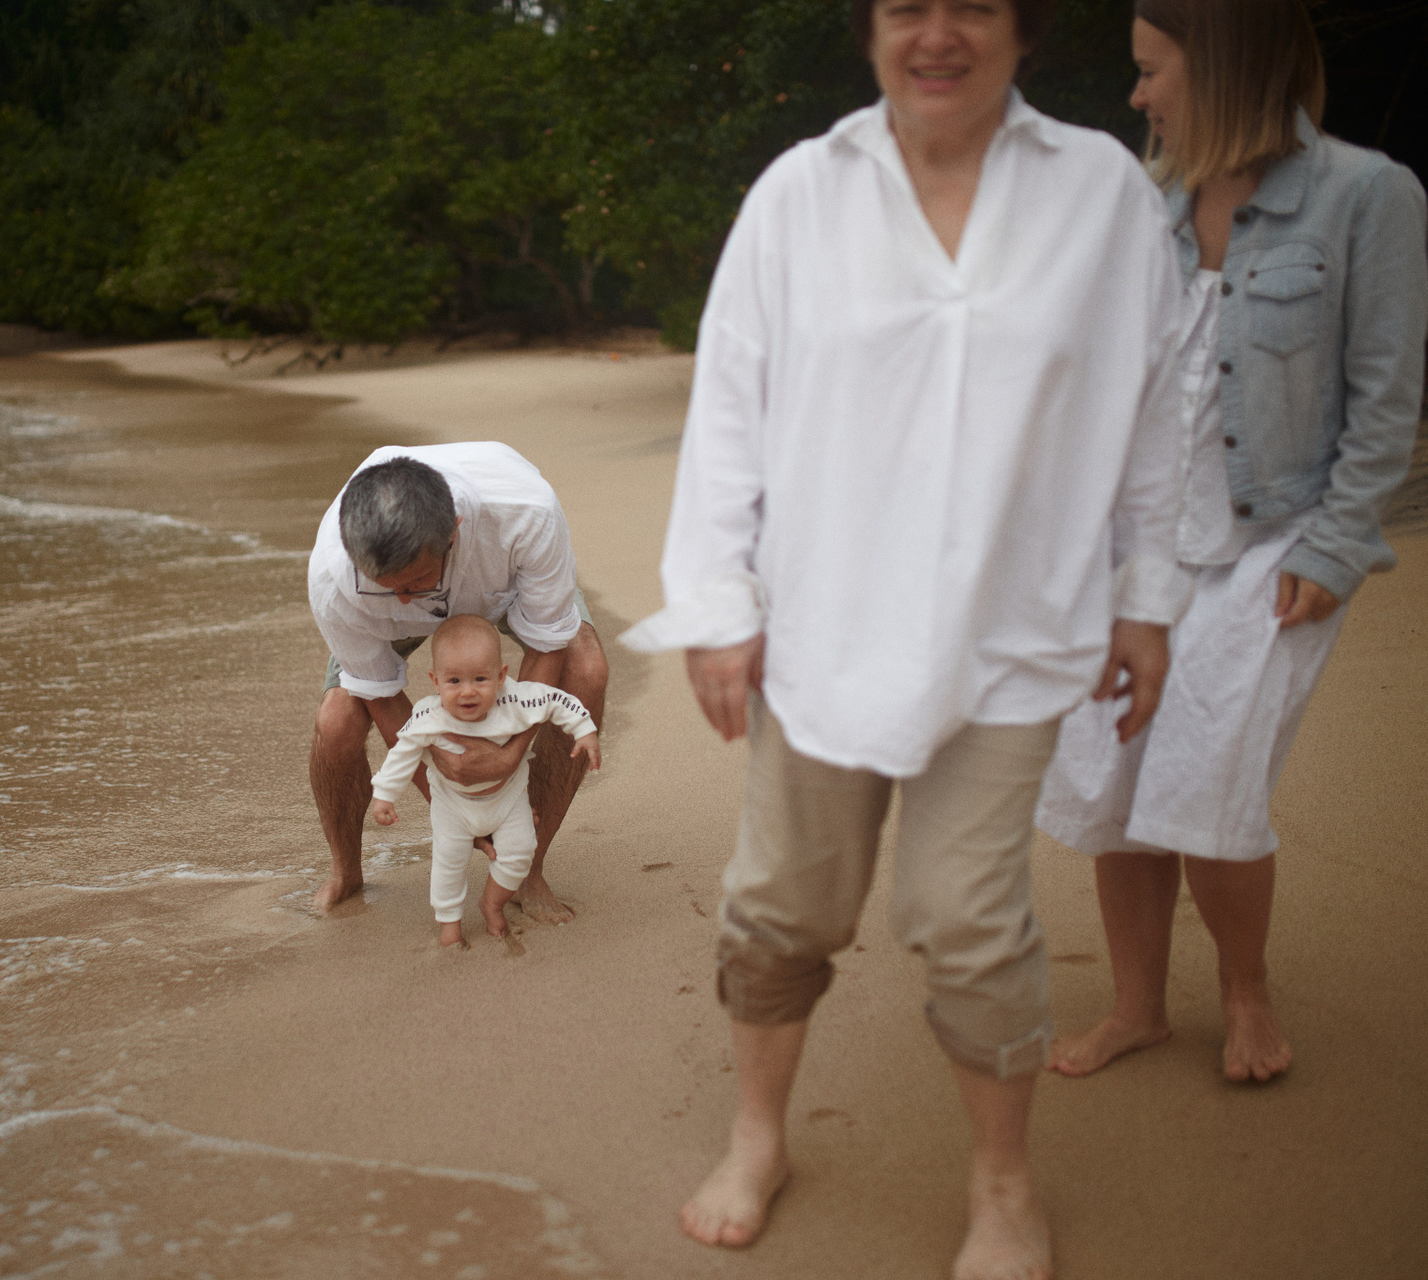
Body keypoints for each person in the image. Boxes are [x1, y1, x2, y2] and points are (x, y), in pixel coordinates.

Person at [620, 0, 1197, 1274]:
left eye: (972, 5)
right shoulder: (799, 194)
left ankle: (1003, 1183)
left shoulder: (1100, 192)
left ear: (1024, 29)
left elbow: (1157, 407)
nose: (938, 34)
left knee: (968, 917)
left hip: (1015, 628)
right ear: (871, 28)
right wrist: (717, 604)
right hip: (821, 626)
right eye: (906, 7)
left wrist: (1146, 598)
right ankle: (758, 1134)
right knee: (784, 904)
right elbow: (730, 407)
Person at [1036, 0, 1427, 1084]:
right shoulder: (1147, 200)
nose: (1137, 95)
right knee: (1116, 777)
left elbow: (1387, 401)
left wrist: (1334, 546)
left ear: (1225, 69)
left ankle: (1246, 992)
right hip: (1142, 547)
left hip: (1276, 542)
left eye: (1152, 70)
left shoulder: (1369, 195)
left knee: (1209, 781)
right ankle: (1138, 1008)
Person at [308, 443, 609, 921]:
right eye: (389, 586)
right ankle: (346, 871)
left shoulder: (526, 513)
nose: (404, 599)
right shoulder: (332, 577)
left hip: (504, 586)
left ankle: (527, 870)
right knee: (337, 719)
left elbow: (547, 644)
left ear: (454, 531)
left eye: (415, 582)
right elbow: (380, 694)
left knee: (586, 669)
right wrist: (459, 804)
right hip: (379, 622)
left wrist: (507, 760)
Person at [370, 615, 600, 947]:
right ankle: (449, 924)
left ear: (501, 676)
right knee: (448, 864)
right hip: (452, 806)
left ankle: (492, 903)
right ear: (435, 681)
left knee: (521, 852)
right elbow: (402, 752)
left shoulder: (516, 700)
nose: (468, 691)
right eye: (454, 681)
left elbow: (556, 701)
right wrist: (384, 794)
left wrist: (584, 730)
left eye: (480, 679)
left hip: (508, 799)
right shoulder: (428, 716)